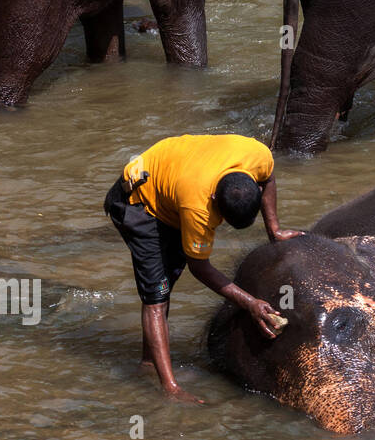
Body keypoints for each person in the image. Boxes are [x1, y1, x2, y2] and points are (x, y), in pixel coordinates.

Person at [104, 133, 302, 402]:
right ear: (213, 199)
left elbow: (268, 179)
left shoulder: (258, 155)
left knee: (168, 277)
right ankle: (169, 388)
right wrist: (250, 303)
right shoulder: (198, 207)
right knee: (156, 297)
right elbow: (199, 268)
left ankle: (149, 362)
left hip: (173, 175)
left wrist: (274, 230)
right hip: (139, 202)